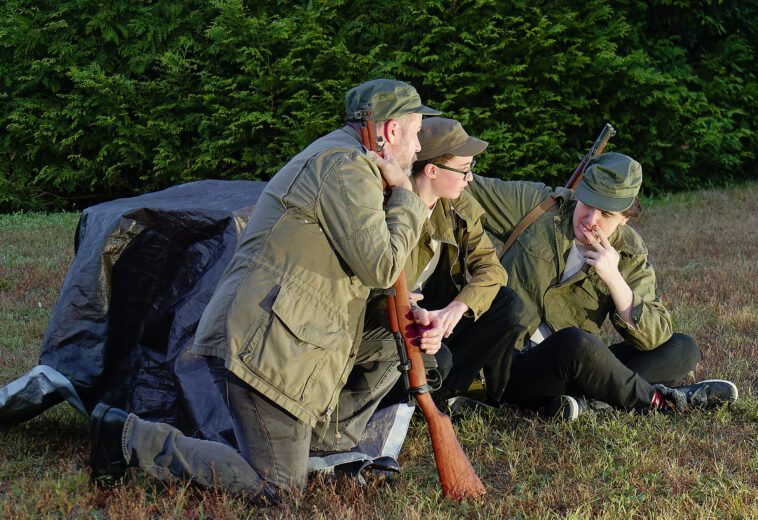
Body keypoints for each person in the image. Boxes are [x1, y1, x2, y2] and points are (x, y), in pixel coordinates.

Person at [87, 79, 443, 502]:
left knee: (395, 338)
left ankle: (316, 440)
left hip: (290, 337)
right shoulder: (346, 168)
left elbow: (354, 275)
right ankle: (128, 437)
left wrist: (403, 316)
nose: (420, 147)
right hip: (270, 347)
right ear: (389, 132)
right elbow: (382, 267)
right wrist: (406, 197)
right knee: (278, 487)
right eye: (417, 131)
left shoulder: (347, 161)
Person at [465, 152, 738, 419]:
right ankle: (661, 402)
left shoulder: (629, 253)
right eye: (587, 204)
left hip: (571, 372)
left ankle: (584, 404)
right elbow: (464, 183)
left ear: (625, 218)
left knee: (681, 348)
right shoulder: (538, 206)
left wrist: (614, 279)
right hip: (510, 367)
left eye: (606, 213)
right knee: (576, 342)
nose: (590, 220)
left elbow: (654, 334)